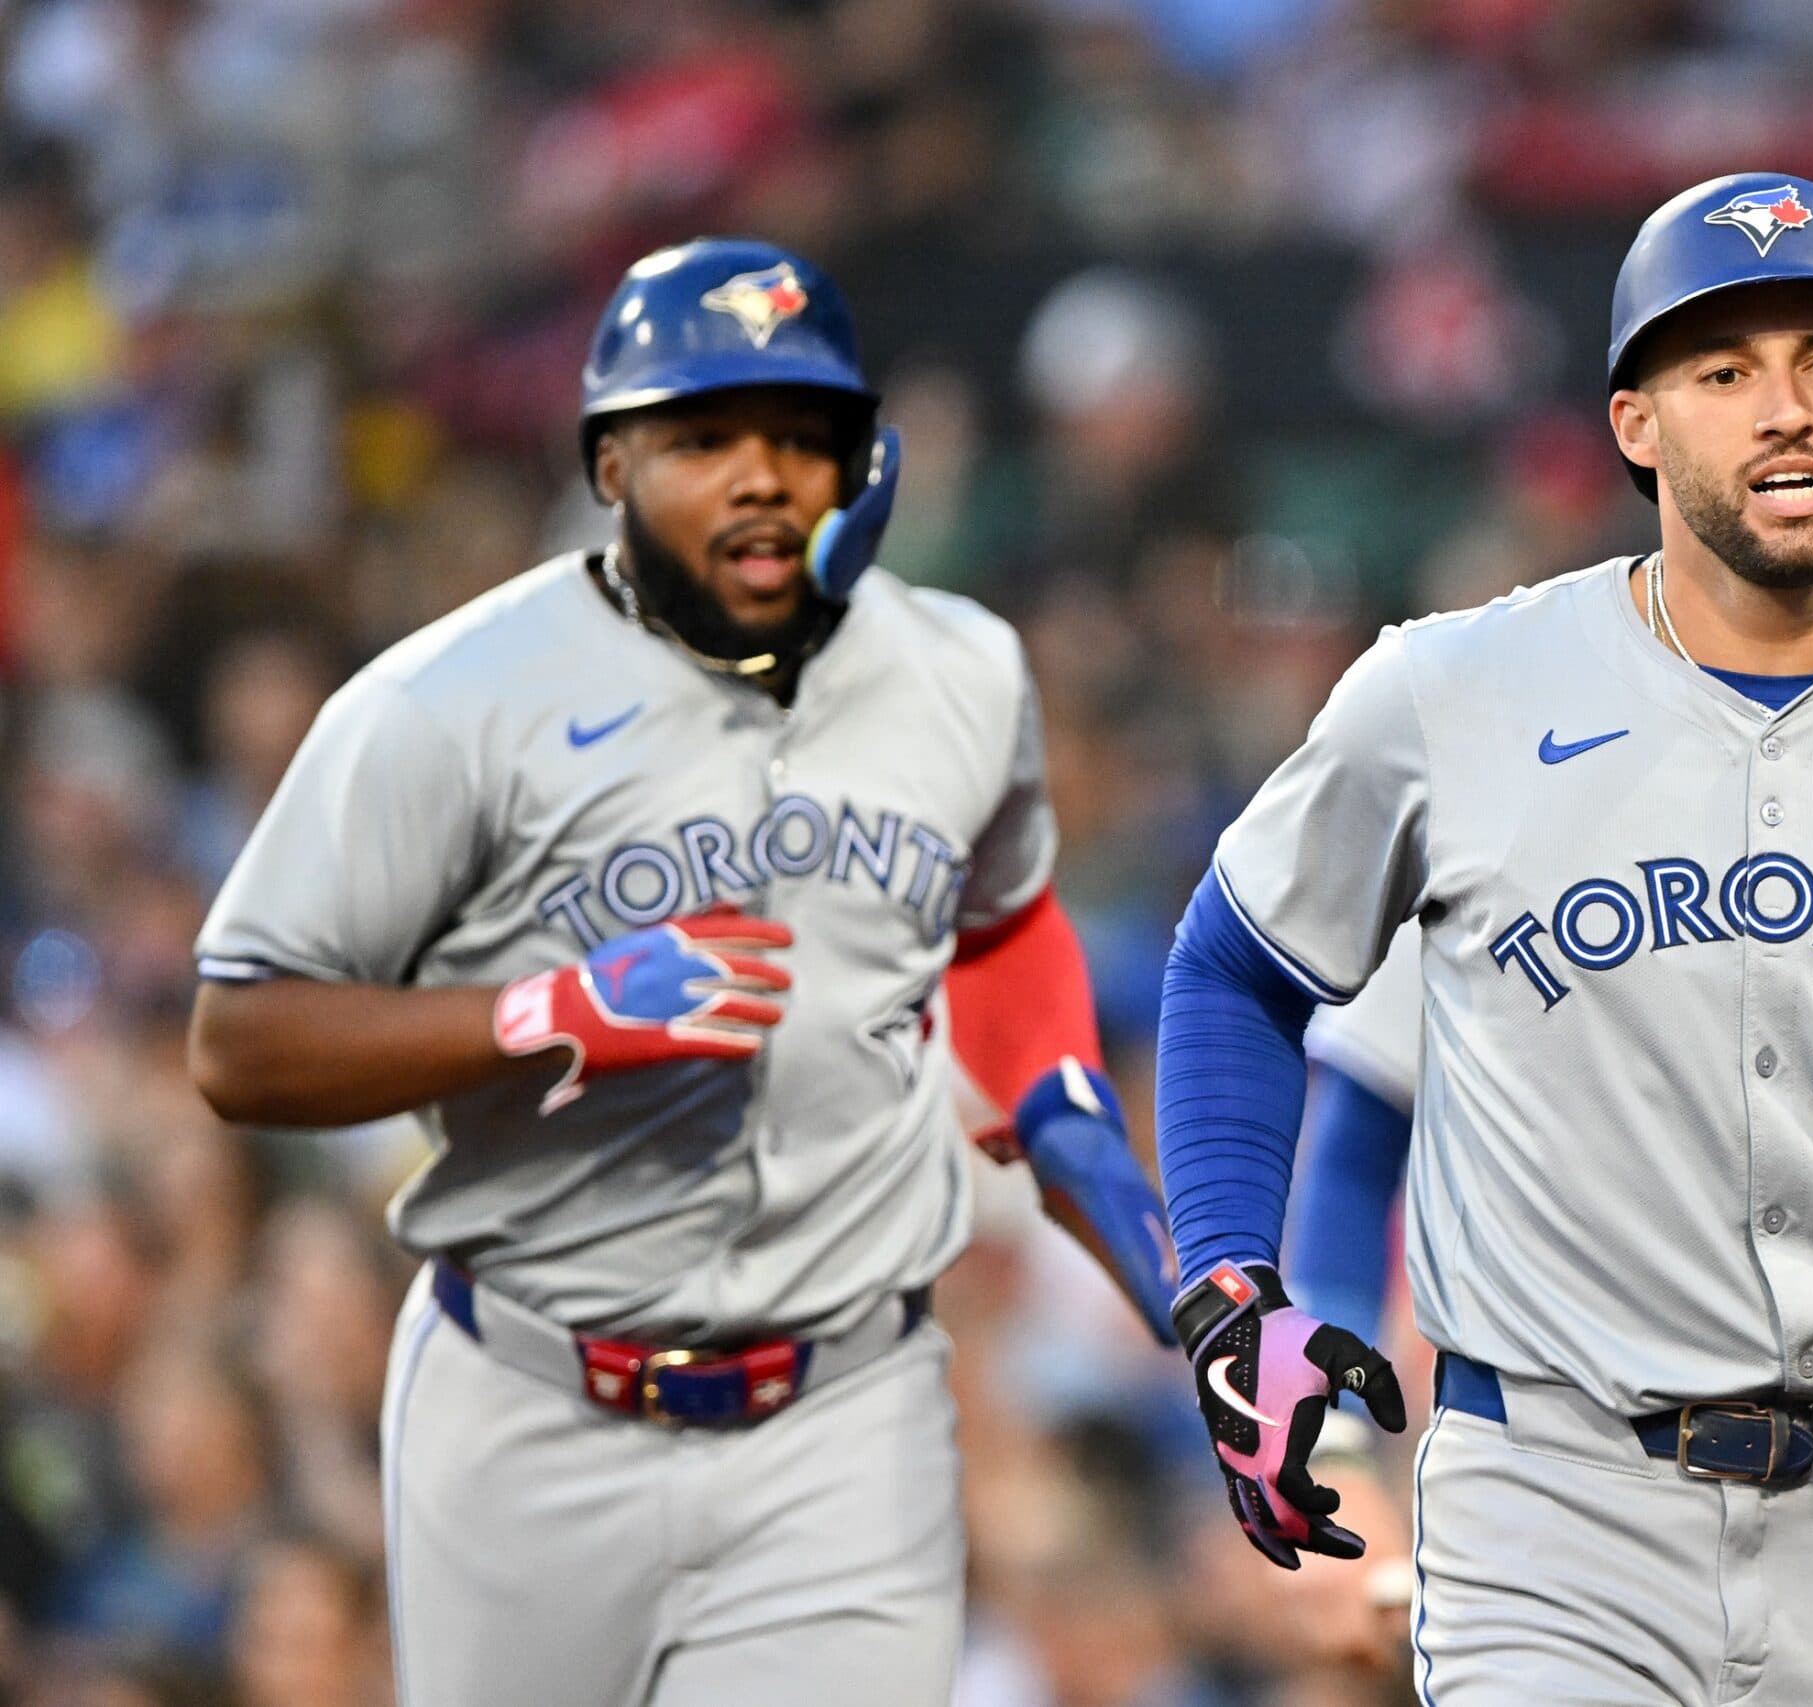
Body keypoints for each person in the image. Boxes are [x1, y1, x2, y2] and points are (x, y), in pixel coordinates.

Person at [1152, 172, 1813, 1705]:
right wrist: (1232, 1288)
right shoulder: (1452, 695)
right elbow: (1235, 967)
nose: (1785, 411)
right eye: (1724, 371)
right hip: (1553, 1499)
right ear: (1636, 422)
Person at [184, 238, 1174, 1707]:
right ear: (608, 463)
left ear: (869, 460)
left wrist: (1163, 1262)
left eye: (801, 434)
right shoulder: (445, 702)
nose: (762, 474)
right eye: (703, 437)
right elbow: (240, 1039)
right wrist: (546, 1015)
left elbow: (995, 930)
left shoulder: (963, 674)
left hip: (842, 1410)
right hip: (531, 1399)